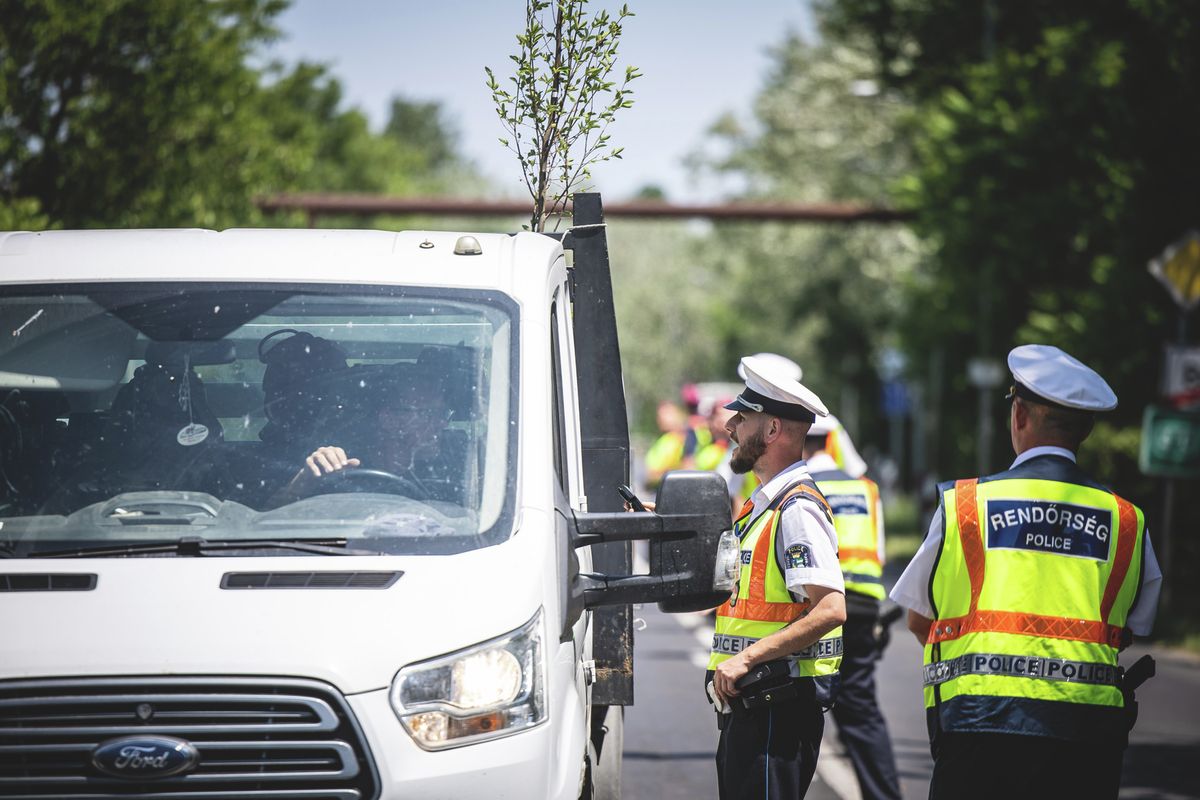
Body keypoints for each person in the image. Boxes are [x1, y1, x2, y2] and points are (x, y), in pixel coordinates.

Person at [890, 344, 1162, 799]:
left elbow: (920, 619)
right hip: (1086, 736)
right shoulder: (1127, 520)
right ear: (1087, 430)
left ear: (1018, 415)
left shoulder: (965, 505)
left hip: (977, 726)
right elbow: (1133, 627)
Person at [707, 354, 847, 799]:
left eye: (742, 418)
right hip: (754, 705)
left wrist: (747, 659)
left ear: (771, 430)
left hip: (776, 709)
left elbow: (831, 608)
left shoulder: (797, 508)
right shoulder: (767, 504)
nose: (730, 427)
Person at [803, 416, 902, 800]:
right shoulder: (866, 487)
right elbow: (878, 549)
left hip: (819, 605)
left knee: (799, 704)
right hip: (864, 606)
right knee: (859, 709)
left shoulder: (802, 487)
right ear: (831, 442)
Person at [283, 361, 460, 503]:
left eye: (443, 413)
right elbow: (272, 523)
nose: (442, 423)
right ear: (388, 418)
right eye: (429, 413)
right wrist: (304, 481)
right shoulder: (340, 466)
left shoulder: (453, 470)